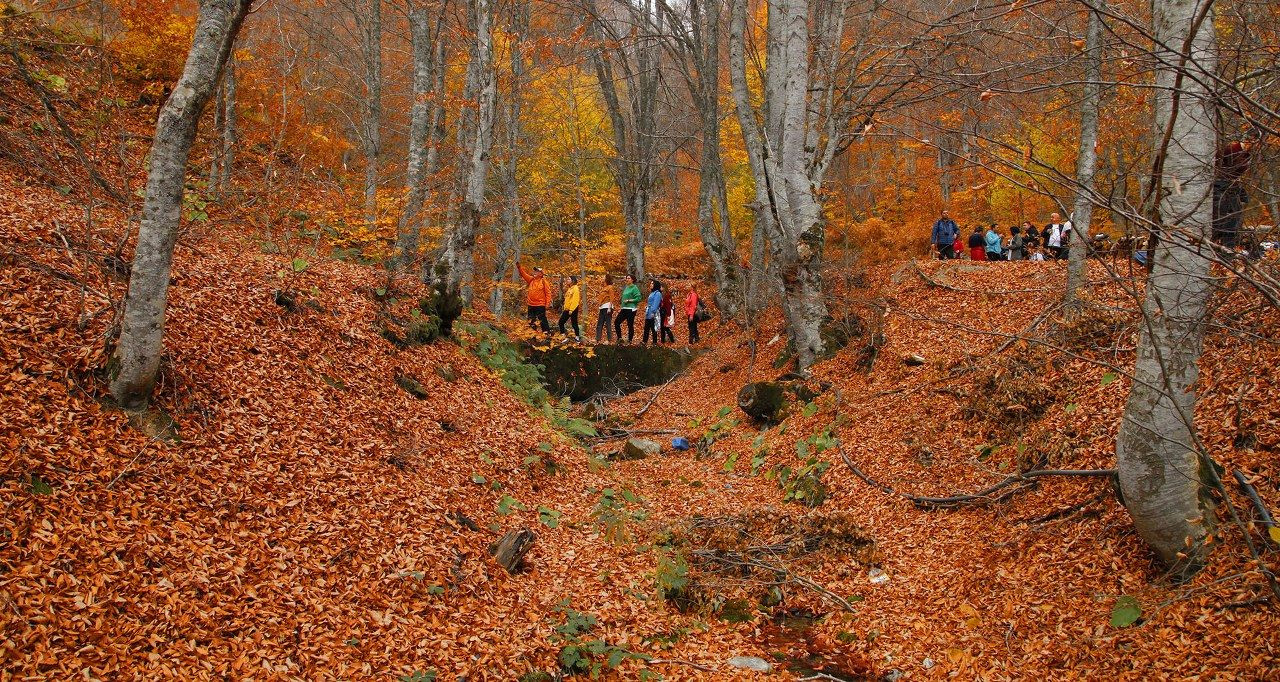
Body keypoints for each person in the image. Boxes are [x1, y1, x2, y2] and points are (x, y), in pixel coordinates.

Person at [517, 262, 552, 333]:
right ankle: (532, 335)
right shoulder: (531, 279)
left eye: (537, 271)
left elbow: (548, 293)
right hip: (531, 305)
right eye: (534, 271)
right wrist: (519, 268)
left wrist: (547, 304)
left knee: (542, 320)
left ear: (541, 273)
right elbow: (524, 274)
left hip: (540, 305)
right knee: (531, 320)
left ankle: (547, 334)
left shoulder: (544, 281)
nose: (535, 272)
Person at [614, 274, 641, 343]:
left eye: (628, 278)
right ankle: (619, 338)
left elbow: (638, 298)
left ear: (632, 280)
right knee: (616, 322)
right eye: (626, 278)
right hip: (624, 308)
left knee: (630, 325)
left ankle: (630, 340)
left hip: (631, 309)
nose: (627, 279)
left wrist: (629, 300)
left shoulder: (634, 288)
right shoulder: (627, 287)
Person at [557, 275, 581, 341]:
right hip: (567, 309)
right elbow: (567, 299)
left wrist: (571, 309)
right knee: (561, 322)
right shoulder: (569, 289)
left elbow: (575, 300)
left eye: (569, 279)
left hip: (573, 309)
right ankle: (563, 335)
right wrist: (565, 308)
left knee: (574, 323)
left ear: (573, 281)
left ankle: (577, 337)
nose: (567, 280)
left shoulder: (575, 288)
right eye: (567, 279)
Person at [595, 274, 616, 343]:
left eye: (603, 277)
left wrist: (609, 308)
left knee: (607, 324)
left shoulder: (610, 287)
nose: (602, 278)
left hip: (607, 307)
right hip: (602, 307)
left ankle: (609, 340)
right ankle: (598, 339)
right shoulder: (604, 288)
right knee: (599, 323)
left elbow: (612, 298)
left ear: (607, 279)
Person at [642, 280, 663, 344]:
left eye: (652, 283)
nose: (651, 284)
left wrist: (653, 312)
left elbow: (656, 304)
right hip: (648, 312)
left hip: (653, 313)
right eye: (650, 283)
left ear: (656, 285)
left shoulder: (658, 293)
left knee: (653, 328)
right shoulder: (652, 293)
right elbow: (650, 302)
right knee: (646, 328)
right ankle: (644, 341)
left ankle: (654, 343)